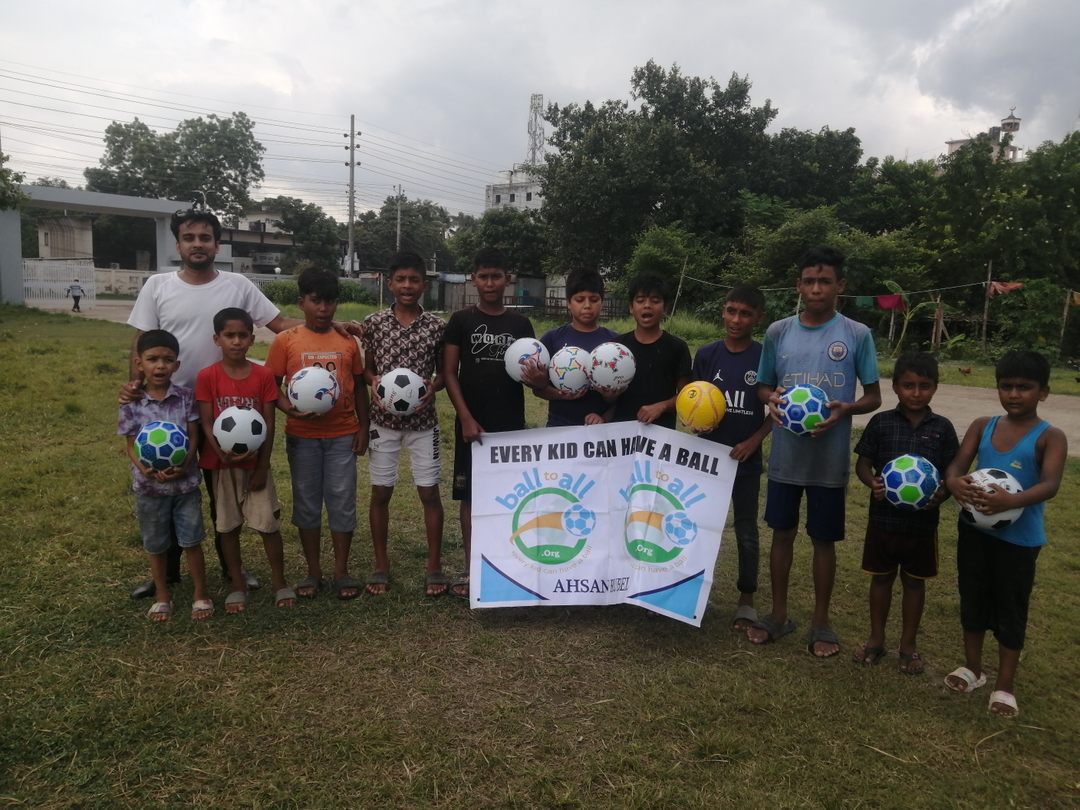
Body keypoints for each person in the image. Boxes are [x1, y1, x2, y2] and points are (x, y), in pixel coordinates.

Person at [123, 207, 300, 598]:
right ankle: (167, 574)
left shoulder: (238, 285)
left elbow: (280, 325)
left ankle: (232, 572)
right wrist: (135, 385)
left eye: (205, 238)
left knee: (223, 497)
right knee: (168, 491)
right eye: (189, 238)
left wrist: (329, 325)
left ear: (217, 245)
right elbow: (141, 343)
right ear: (178, 245)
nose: (197, 244)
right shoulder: (157, 286)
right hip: (171, 411)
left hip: (228, 414)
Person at [747, 246, 882, 657]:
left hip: (829, 460)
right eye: (809, 281)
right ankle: (778, 614)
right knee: (782, 534)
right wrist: (771, 399)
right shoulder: (778, 332)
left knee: (824, 540)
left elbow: (873, 396)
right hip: (786, 458)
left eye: (825, 281)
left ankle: (821, 623)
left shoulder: (856, 334)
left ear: (840, 285)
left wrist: (845, 409)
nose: (817, 289)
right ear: (798, 286)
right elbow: (764, 386)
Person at [943, 351, 1066, 718]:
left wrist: (1011, 501)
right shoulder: (983, 425)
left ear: (1043, 392)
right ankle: (973, 669)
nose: (1014, 394)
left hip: (1019, 542)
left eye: (1024, 387)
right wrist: (954, 483)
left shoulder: (1050, 437)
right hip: (975, 532)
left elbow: (1050, 484)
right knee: (973, 598)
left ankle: (1005, 685)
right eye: (1006, 386)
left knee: (1010, 608)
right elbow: (957, 466)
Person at [852, 352, 959, 672]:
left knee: (914, 583)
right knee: (881, 579)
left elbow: (952, 472)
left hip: (922, 525)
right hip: (883, 520)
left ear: (935, 388)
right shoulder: (881, 423)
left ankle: (908, 646)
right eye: (908, 385)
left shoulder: (942, 428)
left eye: (924, 386)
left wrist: (943, 493)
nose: (916, 393)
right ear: (896, 387)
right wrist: (872, 482)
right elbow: (863, 464)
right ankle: (876, 640)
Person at [266, 268, 369, 600]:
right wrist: (288, 408)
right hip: (303, 437)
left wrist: (364, 427)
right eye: (315, 301)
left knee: (342, 500)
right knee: (307, 502)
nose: (323, 309)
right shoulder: (286, 341)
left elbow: (360, 387)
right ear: (302, 302)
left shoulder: (347, 341)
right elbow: (270, 385)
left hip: (342, 434)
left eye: (329, 302)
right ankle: (313, 572)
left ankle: (341, 571)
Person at [443, 248, 537, 599]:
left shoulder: (520, 325)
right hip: (472, 426)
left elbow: (533, 375)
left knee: (509, 497)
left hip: (509, 424)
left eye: (496, 276)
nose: (490, 283)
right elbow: (449, 373)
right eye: (483, 276)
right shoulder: (461, 321)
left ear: (507, 279)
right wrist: (466, 417)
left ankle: (506, 567)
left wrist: (539, 377)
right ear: (473, 280)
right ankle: (473, 570)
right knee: (470, 496)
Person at [196, 307, 295, 613]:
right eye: (229, 335)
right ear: (217, 339)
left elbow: (269, 424)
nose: (236, 341)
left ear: (252, 339)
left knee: (268, 525)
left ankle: (279, 583)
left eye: (242, 335)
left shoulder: (263, 375)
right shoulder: (207, 377)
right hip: (222, 467)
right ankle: (237, 585)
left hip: (256, 467)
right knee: (228, 527)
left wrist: (262, 466)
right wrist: (220, 452)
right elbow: (206, 421)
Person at [360, 252, 446, 597]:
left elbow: (444, 374)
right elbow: (367, 369)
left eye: (414, 280)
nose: (407, 286)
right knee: (381, 492)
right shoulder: (374, 323)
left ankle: (434, 566)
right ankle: (381, 565)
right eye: (401, 279)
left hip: (423, 423)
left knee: (429, 492)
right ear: (390, 283)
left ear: (424, 285)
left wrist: (432, 387)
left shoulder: (436, 327)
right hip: (383, 422)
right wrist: (373, 382)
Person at [690, 284, 771, 630]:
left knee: (745, 529)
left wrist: (753, 441)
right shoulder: (707, 354)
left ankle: (746, 599)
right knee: (699, 526)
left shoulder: (764, 357)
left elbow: (776, 410)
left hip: (745, 461)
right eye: (731, 311)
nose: (736, 320)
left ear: (758, 318)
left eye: (745, 314)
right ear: (723, 311)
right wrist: (697, 424)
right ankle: (695, 592)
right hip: (708, 460)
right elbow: (692, 399)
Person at [118, 329, 211, 622]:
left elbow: (193, 436)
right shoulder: (131, 403)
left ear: (177, 365)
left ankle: (200, 594)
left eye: (168, 360)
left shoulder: (185, 398)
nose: (160, 366)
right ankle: (162, 596)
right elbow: (130, 443)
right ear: (139, 363)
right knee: (155, 544)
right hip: (149, 489)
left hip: (185, 486)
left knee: (191, 540)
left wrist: (185, 463)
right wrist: (143, 468)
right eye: (152, 359)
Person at [525, 267, 617, 426]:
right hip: (560, 429)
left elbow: (622, 397)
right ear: (568, 302)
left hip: (600, 432)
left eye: (594, 299)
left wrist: (604, 416)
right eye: (580, 300)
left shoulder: (614, 343)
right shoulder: (552, 338)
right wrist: (559, 394)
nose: (587, 305)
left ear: (602, 302)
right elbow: (538, 390)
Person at [609, 273, 691, 429]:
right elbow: (607, 396)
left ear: (665, 307)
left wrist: (662, 406)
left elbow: (686, 396)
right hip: (621, 435)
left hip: (660, 436)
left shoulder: (677, 347)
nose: (647, 305)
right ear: (631, 307)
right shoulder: (616, 347)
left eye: (655, 300)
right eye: (640, 300)